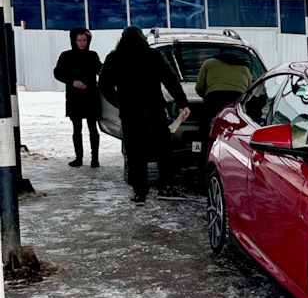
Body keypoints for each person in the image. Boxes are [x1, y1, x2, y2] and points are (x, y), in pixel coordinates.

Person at [99, 26, 190, 204]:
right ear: (142, 38)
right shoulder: (153, 55)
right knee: (163, 151)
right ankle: (166, 187)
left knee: (135, 154)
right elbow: (170, 80)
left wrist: (118, 101)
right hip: (154, 111)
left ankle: (140, 192)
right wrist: (182, 102)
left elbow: (103, 85)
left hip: (130, 113)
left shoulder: (114, 58)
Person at [53, 26, 102, 168]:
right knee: (77, 129)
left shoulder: (92, 55)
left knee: (93, 128)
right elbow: (58, 73)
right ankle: (79, 158)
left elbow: (101, 71)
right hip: (75, 98)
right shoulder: (66, 56)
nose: (82, 43)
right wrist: (72, 81)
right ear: (74, 41)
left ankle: (95, 159)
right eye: (79, 40)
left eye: (84, 40)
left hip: (91, 97)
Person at [196, 46, 253, 149]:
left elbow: (199, 88)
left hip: (214, 99)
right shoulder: (245, 69)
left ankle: (204, 154)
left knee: (207, 131)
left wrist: (206, 97)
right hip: (236, 101)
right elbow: (250, 92)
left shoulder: (209, 63)